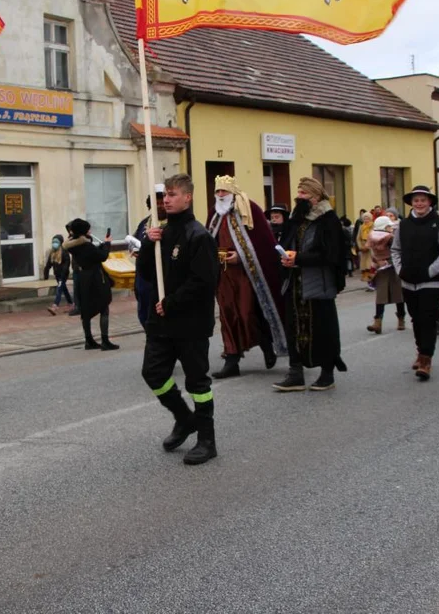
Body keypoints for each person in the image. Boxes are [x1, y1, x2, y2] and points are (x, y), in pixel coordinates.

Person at [137, 174, 220, 465]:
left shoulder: (199, 236)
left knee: (197, 381)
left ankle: (207, 441)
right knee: (153, 374)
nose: (166, 200)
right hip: (161, 322)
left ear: (188, 197)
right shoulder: (160, 233)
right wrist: (149, 245)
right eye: (164, 196)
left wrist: (172, 302)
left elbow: (205, 281)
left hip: (190, 322)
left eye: (172, 195)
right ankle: (184, 418)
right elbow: (147, 274)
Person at [207, 176, 287, 379]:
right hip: (223, 273)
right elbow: (208, 241)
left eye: (224, 191)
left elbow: (264, 245)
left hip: (247, 274)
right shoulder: (214, 213)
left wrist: (241, 257)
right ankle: (232, 359)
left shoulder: (250, 209)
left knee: (247, 312)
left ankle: (266, 344)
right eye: (218, 192)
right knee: (227, 315)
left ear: (233, 192)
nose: (220, 195)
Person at [274, 177, 347, 392]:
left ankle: (327, 373)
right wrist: (286, 256)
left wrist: (299, 258)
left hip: (319, 285)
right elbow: (288, 243)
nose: (299, 197)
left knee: (323, 330)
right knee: (293, 328)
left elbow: (331, 255)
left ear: (315, 197)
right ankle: (295, 373)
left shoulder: (328, 220)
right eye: (298, 192)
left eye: (303, 194)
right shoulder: (297, 219)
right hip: (294, 284)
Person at [390, 186, 439, 381]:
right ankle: (420, 351)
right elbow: (395, 250)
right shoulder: (404, 225)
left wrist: (431, 270)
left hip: (431, 282)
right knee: (416, 319)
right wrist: (400, 269)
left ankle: (426, 359)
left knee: (428, 320)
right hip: (408, 281)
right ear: (411, 203)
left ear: (430, 203)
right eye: (416, 200)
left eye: (423, 200)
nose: (419, 204)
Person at [65, 219, 118, 351]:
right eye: (88, 229)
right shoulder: (86, 246)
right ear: (83, 231)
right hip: (96, 278)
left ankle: (89, 340)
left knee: (86, 309)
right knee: (104, 307)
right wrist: (107, 243)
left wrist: (99, 246)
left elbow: (93, 253)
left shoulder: (73, 245)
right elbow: (102, 256)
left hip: (83, 278)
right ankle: (105, 341)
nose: (90, 231)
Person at [132, 186, 167, 329]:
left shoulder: (174, 224)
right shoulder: (144, 223)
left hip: (161, 280)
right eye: (155, 203)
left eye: (161, 202)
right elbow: (136, 240)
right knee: (145, 317)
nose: (159, 206)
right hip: (143, 282)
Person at [366, 215, 406, 334]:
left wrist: (377, 261)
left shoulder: (371, 236)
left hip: (383, 268)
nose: (390, 228)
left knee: (383, 296)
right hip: (391, 267)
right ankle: (398, 320)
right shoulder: (390, 238)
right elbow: (398, 252)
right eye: (389, 226)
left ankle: (381, 321)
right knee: (397, 295)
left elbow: (372, 253)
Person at [43, 234, 72, 315]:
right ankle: (71, 303)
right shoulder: (52, 252)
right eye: (53, 242)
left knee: (59, 289)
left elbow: (66, 265)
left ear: (60, 243)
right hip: (57, 275)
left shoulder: (64, 252)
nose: (54, 243)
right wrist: (46, 274)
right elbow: (48, 264)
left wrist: (63, 276)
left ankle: (55, 306)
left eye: (56, 242)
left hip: (63, 275)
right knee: (64, 289)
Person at [357, 213, 375, 289]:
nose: (366, 220)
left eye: (367, 218)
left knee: (370, 265)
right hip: (363, 248)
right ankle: (368, 283)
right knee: (365, 267)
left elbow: (374, 236)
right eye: (364, 218)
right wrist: (360, 246)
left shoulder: (373, 226)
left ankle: (373, 282)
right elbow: (358, 238)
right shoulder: (361, 227)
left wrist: (368, 245)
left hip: (371, 248)